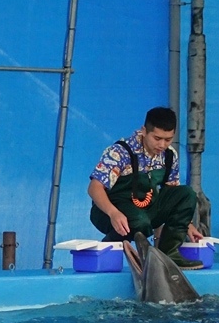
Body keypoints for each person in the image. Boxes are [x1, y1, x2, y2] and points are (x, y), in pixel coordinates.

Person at [87, 106, 204, 269]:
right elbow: (94, 188)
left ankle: (168, 254)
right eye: (157, 138)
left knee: (186, 194)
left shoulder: (169, 156)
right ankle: (110, 246)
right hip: (111, 211)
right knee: (139, 221)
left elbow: (172, 197)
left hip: (145, 210)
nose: (162, 144)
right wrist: (113, 213)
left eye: (168, 139)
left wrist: (186, 224)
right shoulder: (120, 152)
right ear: (144, 131)